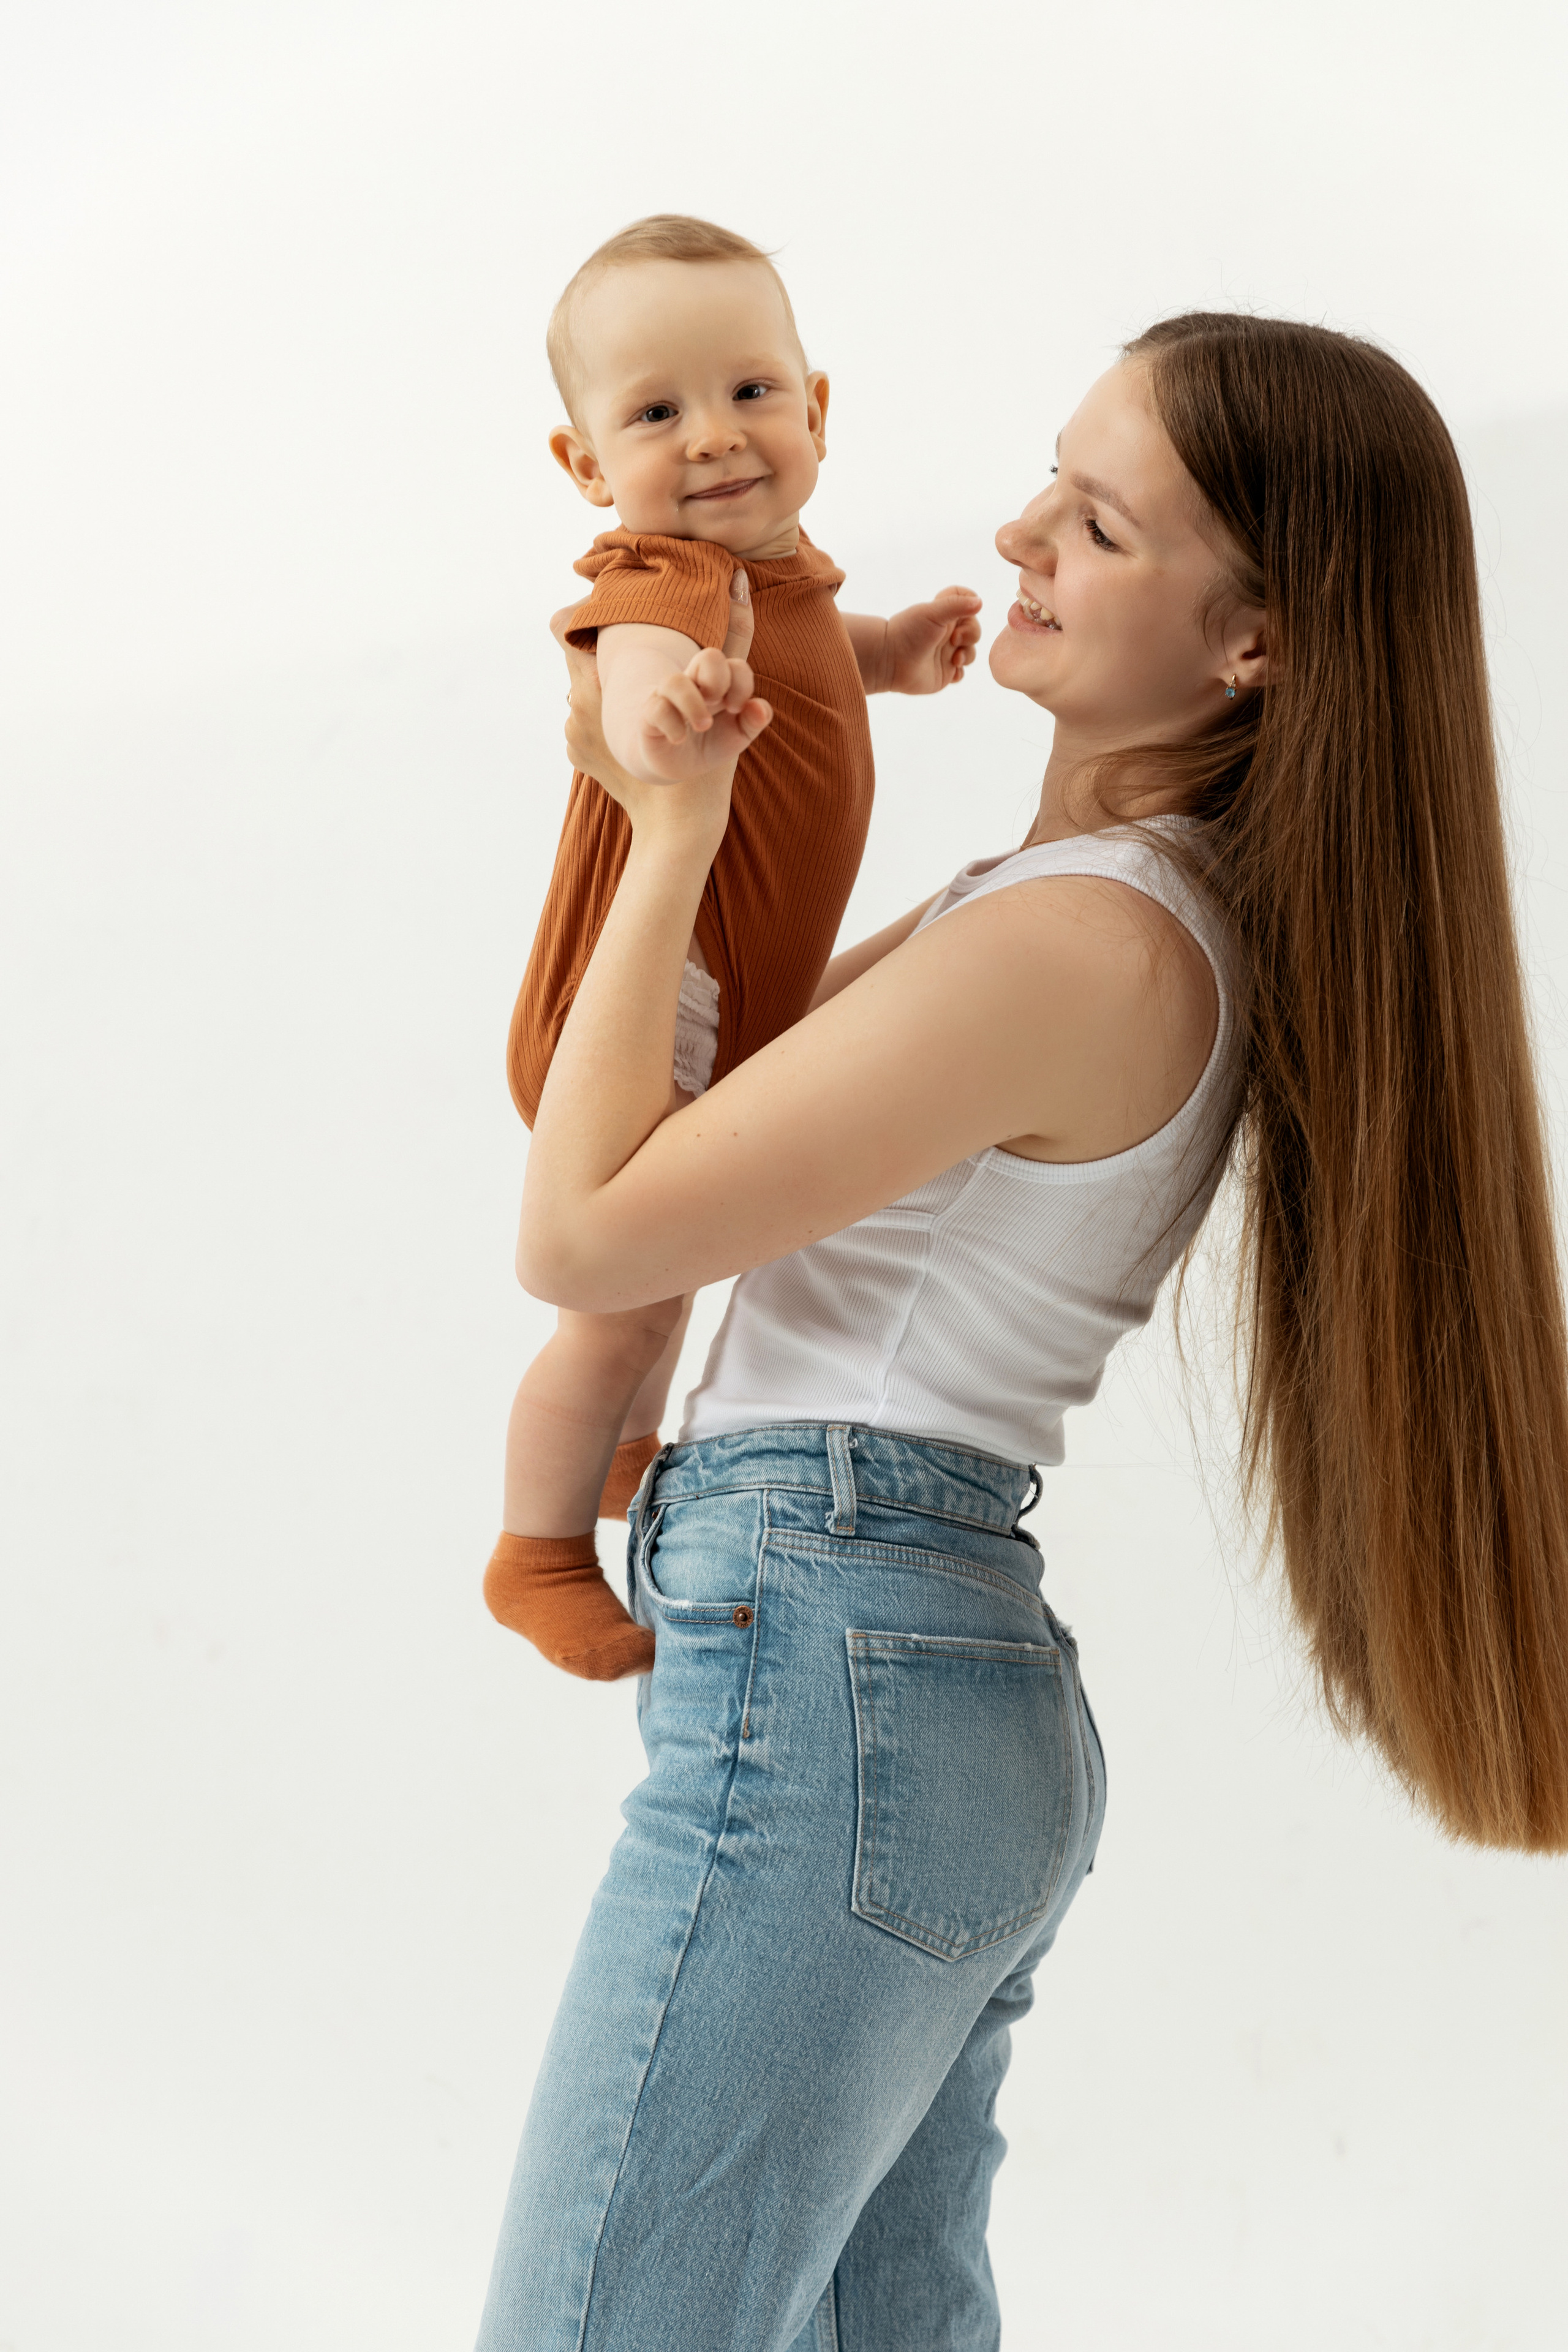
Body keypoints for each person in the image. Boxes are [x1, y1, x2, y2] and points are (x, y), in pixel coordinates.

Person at [475, 314, 1568, 2352]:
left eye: (1096, 520)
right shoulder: (1076, 898)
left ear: (1254, 646)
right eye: (1048, 481)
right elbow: (695, 1125)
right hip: (909, 1676)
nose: (1018, 537)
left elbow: (591, 1221)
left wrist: (683, 827)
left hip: (843, 1655)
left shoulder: (1084, 937)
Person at [486, 213, 981, 1681]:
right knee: (620, 1299)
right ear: (586, 467)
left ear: (816, 408)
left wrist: (899, 652)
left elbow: (828, 656)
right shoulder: (668, 580)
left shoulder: (787, 574)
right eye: (654, 412)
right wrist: (656, 723)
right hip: (644, 1009)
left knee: (670, 1273)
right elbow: (629, 653)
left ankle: (631, 1450)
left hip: (722, 1009)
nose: (713, 438)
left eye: (750, 393)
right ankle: (535, 1549)